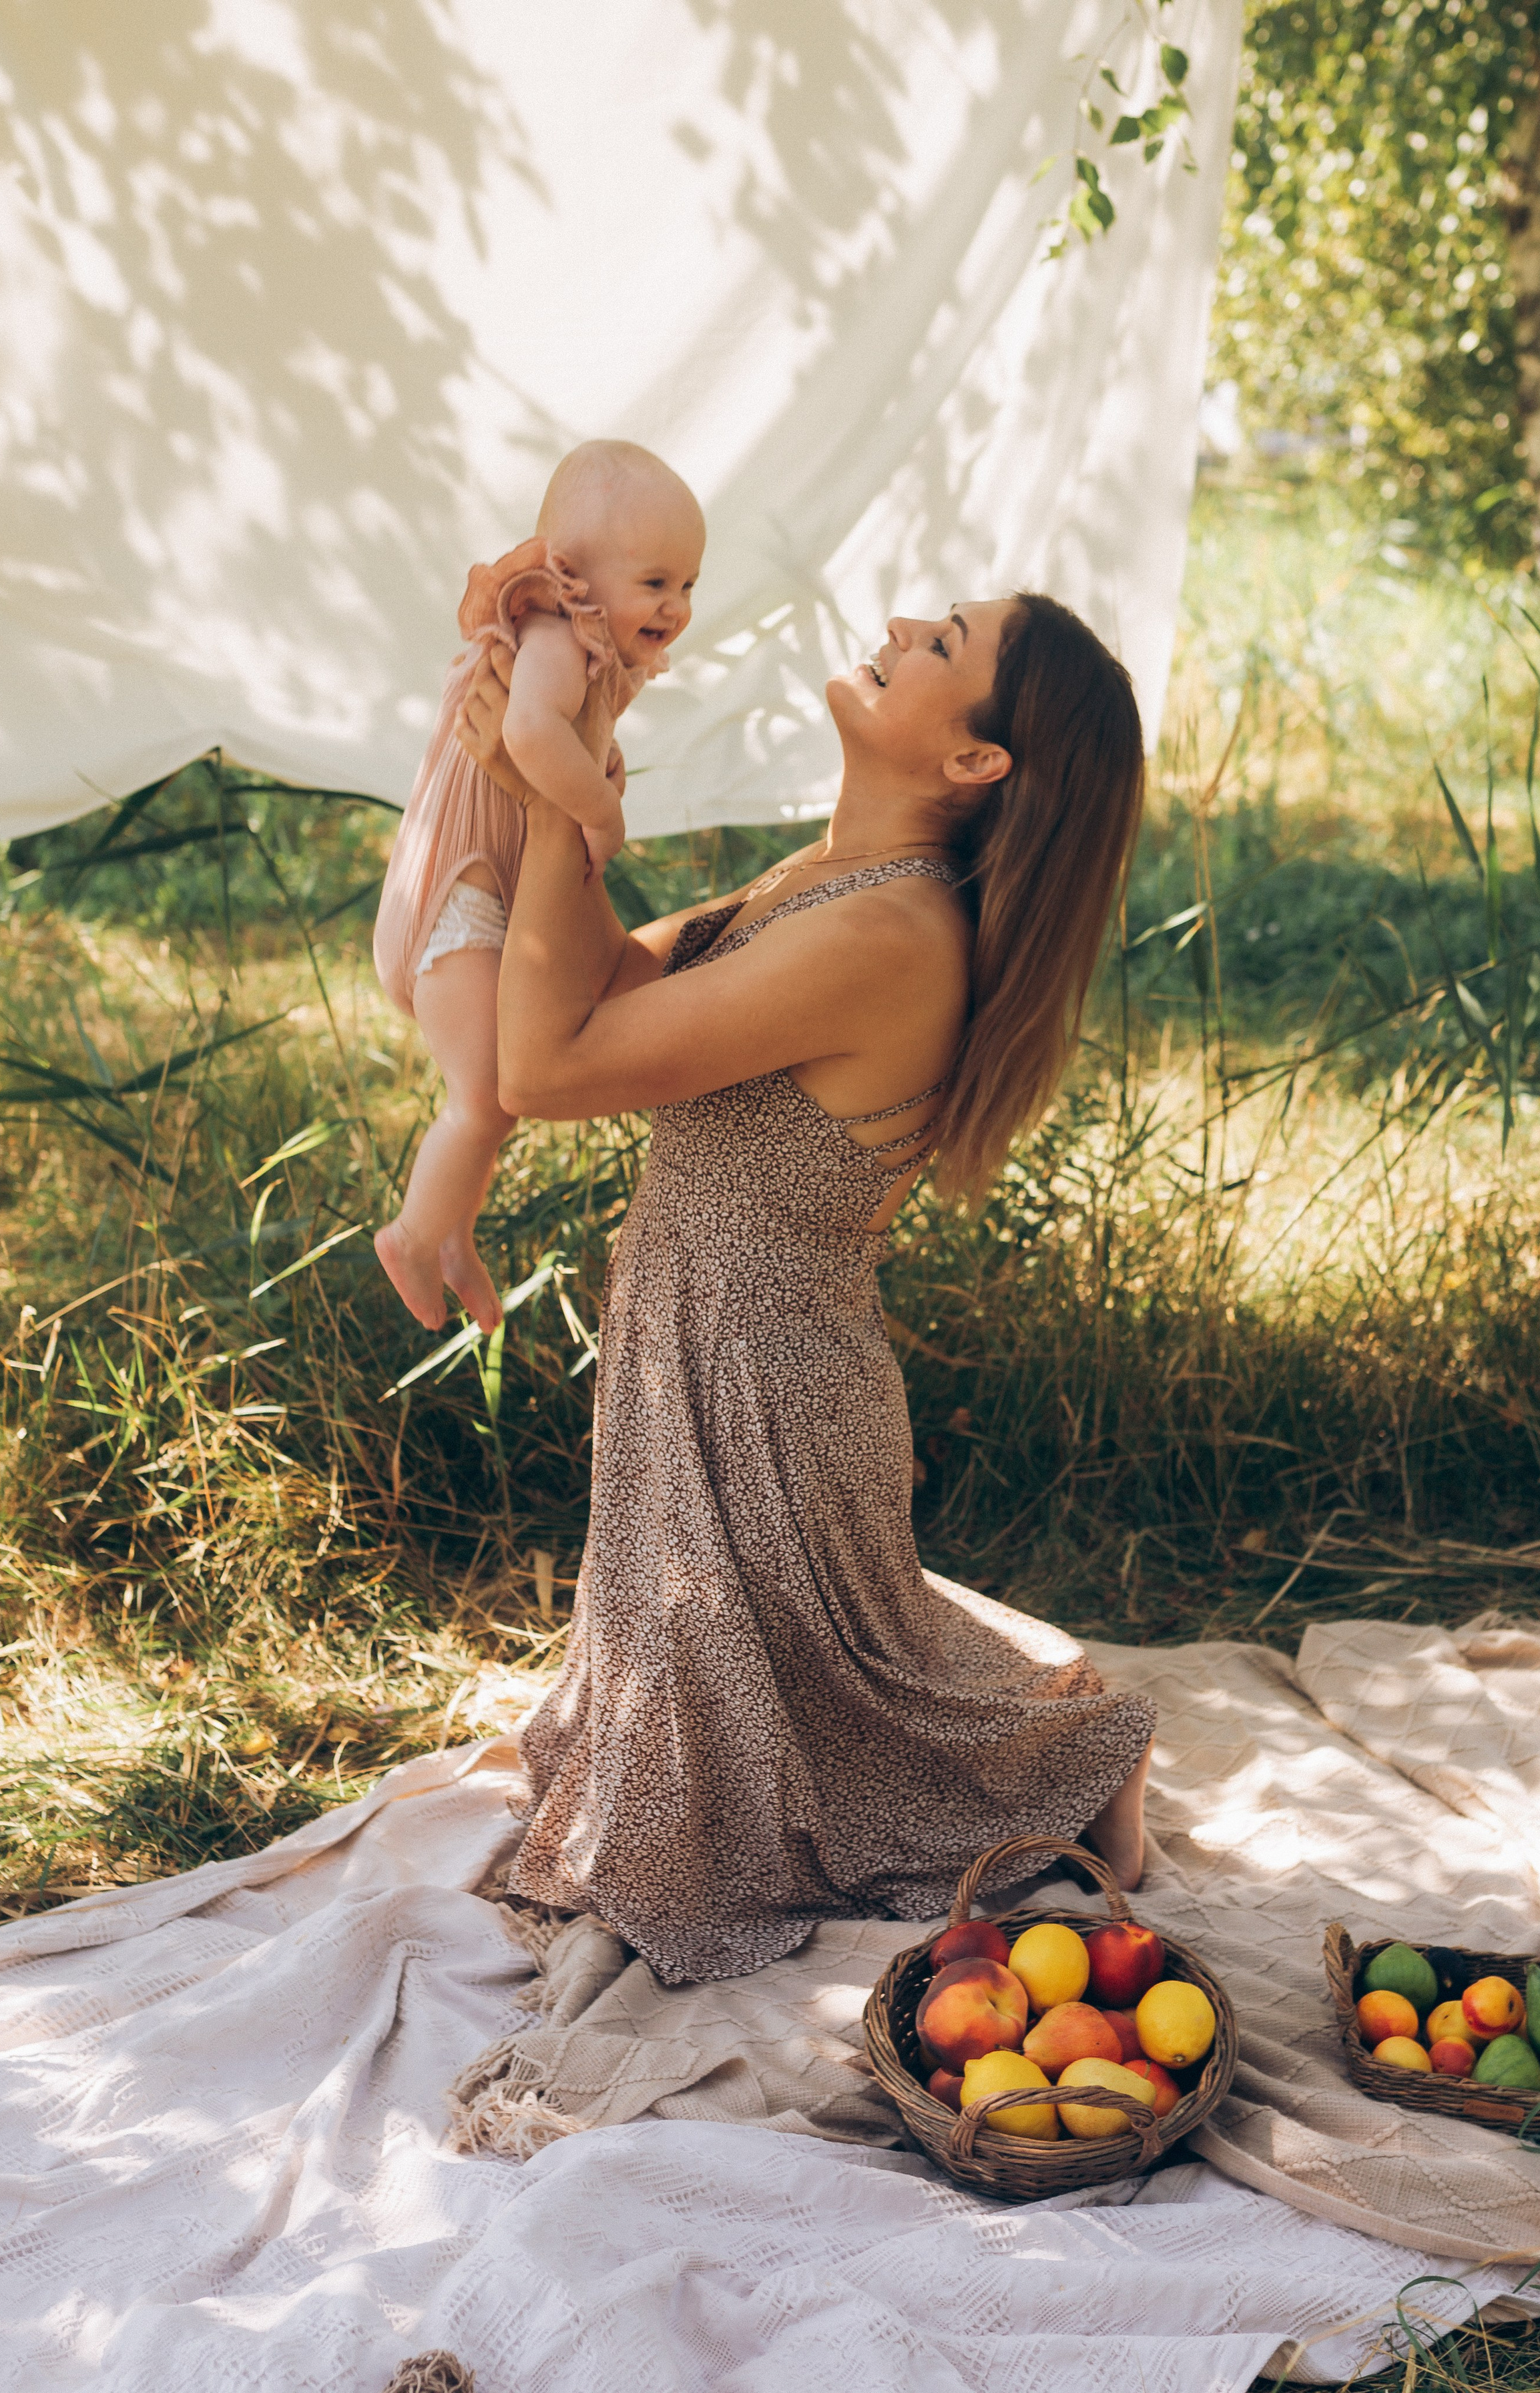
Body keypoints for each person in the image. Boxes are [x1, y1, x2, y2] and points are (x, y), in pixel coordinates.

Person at [455, 591, 1156, 1986]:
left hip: (764, 1394)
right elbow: (592, 979)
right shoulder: (822, 879)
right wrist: (575, 744)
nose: (901, 619)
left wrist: (552, 794)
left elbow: (544, 1069)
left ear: (974, 763)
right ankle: (1043, 1735)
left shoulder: (890, 933)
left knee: (746, 1773)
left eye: (942, 642)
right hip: (713, 1354)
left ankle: (1068, 1765)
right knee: (760, 1709)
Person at [371, 441, 706, 1335]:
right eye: (656, 582)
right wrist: (600, 806)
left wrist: (595, 753)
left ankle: (451, 1233)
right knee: (485, 1097)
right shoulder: (555, 635)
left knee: (501, 1101)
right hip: (458, 890)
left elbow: (563, 731)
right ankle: (409, 1235)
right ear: (575, 577)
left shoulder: (584, 650)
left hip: (478, 888)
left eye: (688, 587)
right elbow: (527, 731)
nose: (675, 608)